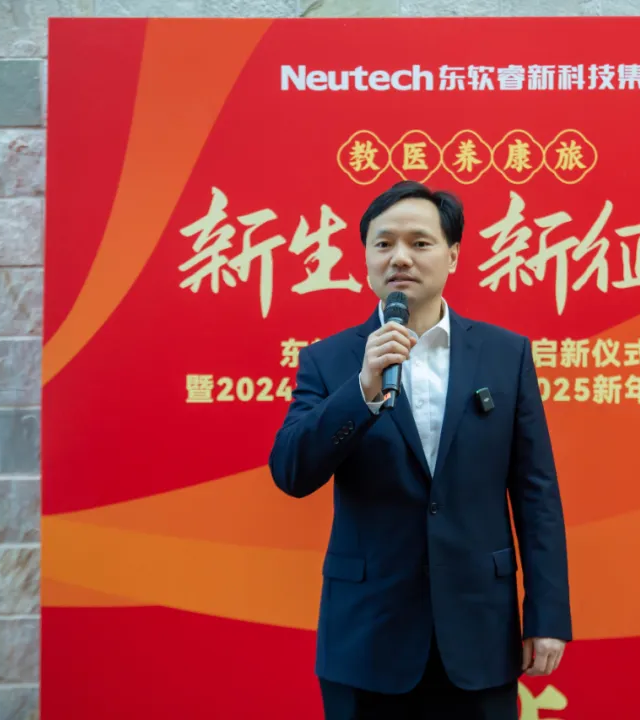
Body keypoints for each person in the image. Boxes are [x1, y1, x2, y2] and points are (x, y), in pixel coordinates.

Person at [268, 180, 573, 720]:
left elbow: (536, 493)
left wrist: (546, 614)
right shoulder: (330, 361)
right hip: (367, 639)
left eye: (420, 242)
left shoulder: (505, 355)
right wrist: (362, 390)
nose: (400, 257)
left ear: (452, 256)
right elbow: (291, 472)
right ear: (366, 259)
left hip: (480, 634)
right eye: (384, 243)